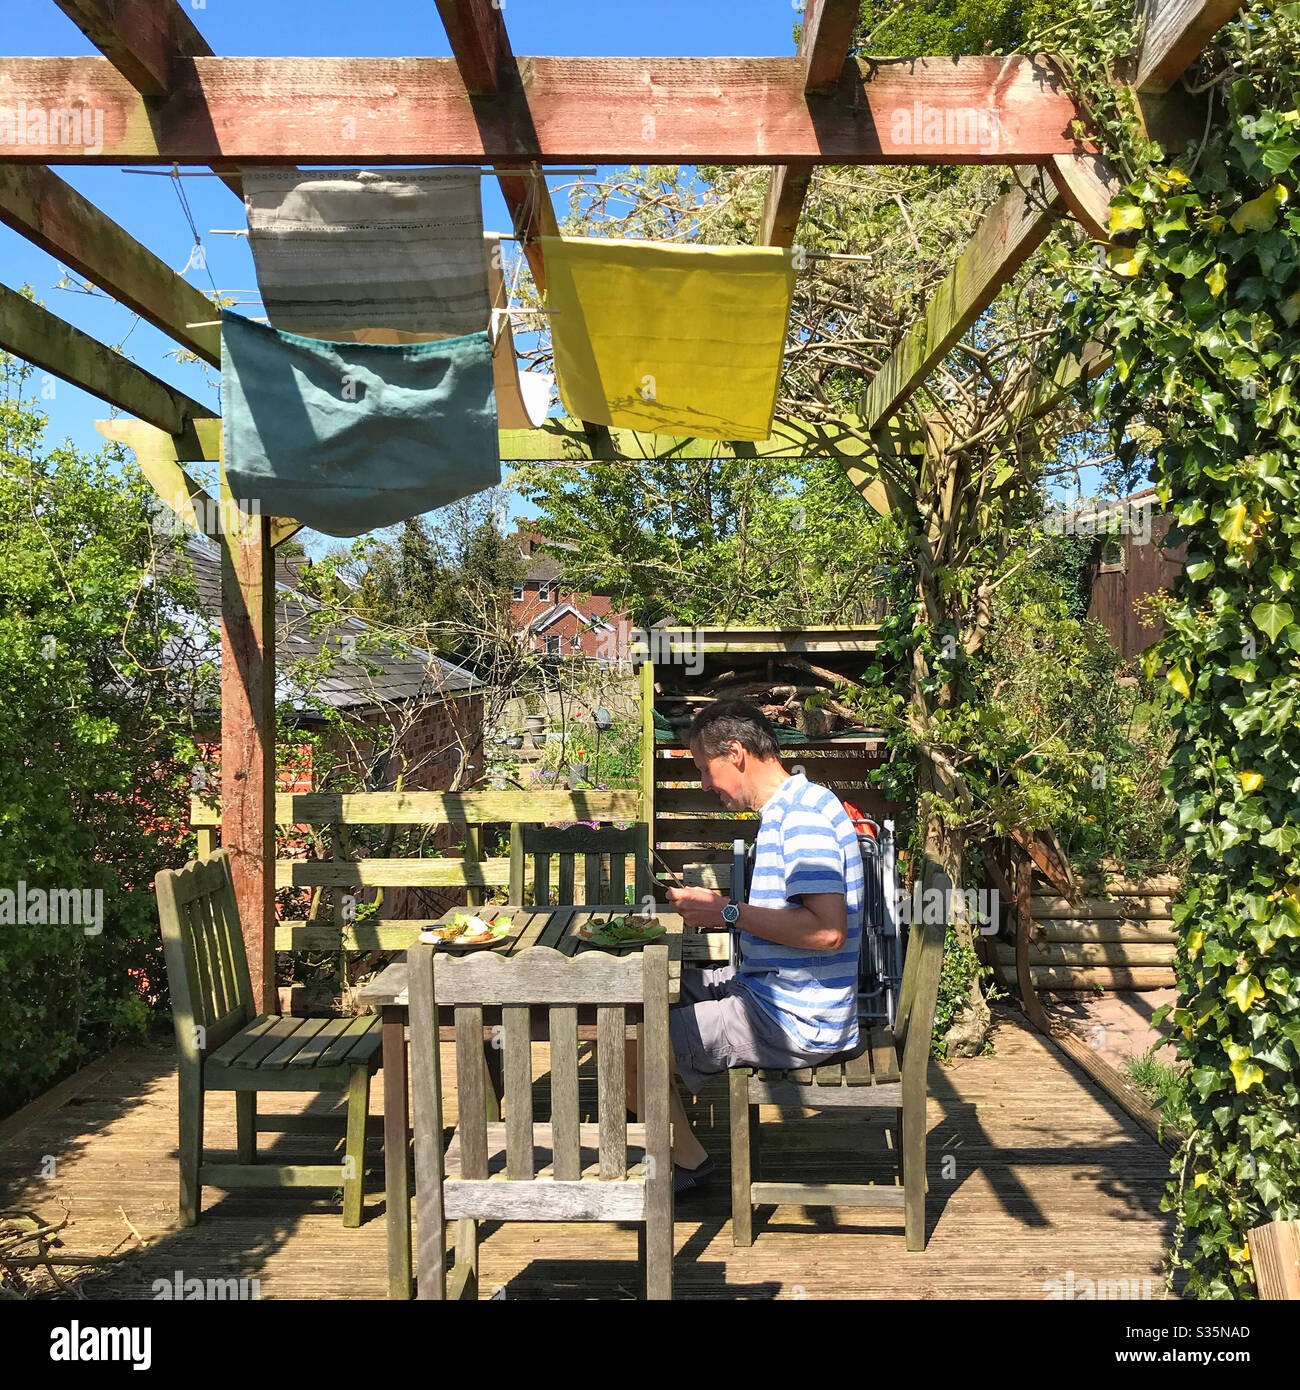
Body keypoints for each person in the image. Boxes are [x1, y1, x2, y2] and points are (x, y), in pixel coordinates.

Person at [624, 698, 865, 1194]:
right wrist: (721, 905)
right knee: (628, 1006)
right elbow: (796, 916)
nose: (706, 786)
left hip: (795, 1018)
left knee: (624, 1047)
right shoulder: (798, 808)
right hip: (769, 993)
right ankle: (683, 1151)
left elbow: (826, 931)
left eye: (705, 770)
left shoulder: (802, 819)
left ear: (735, 752)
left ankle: (688, 1164)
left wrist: (725, 913)